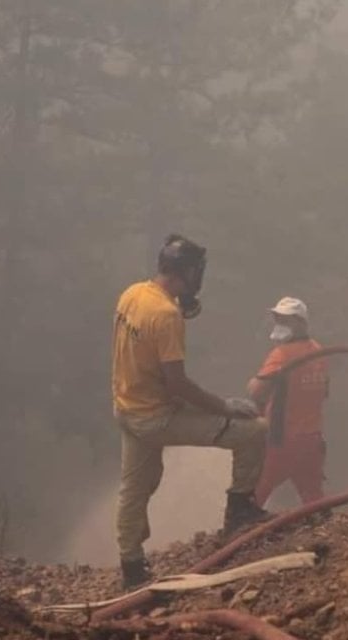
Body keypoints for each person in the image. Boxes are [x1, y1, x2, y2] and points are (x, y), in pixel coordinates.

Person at [111, 234, 270, 589]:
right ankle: (239, 510)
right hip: (156, 416)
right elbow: (177, 384)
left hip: (127, 408)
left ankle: (132, 568)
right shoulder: (166, 315)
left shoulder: (132, 294)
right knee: (254, 432)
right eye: (196, 271)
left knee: (135, 489)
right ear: (185, 272)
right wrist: (224, 407)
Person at [247, 297, 330, 508]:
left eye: (286, 320)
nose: (280, 324)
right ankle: (323, 535)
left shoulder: (282, 354)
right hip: (312, 439)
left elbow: (257, 392)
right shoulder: (319, 351)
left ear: (301, 323)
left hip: (283, 439)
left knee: (255, 494)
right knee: (313, 498)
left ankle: (238, 536)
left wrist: (253, 383)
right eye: (278, 319)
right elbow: (323, 392)